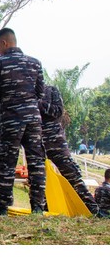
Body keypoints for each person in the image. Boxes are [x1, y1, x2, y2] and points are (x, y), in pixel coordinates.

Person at [0, 28, 46, 215]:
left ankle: (1, 208)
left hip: (12, 118)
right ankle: (38, 207)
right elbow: (41, 93)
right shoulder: (35, 63)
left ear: (4, 43)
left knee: (6, 162)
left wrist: (9, 98)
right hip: (34, 119)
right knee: (36, 163)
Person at [39, 85, 105, 217]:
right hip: (35, 143)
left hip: (55, 142)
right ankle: (43, 208)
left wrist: (37, 104)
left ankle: (93, 209)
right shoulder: (24, 93)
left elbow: (58, 111)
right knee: (39, 179)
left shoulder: (51, 90)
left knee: (72, 176)